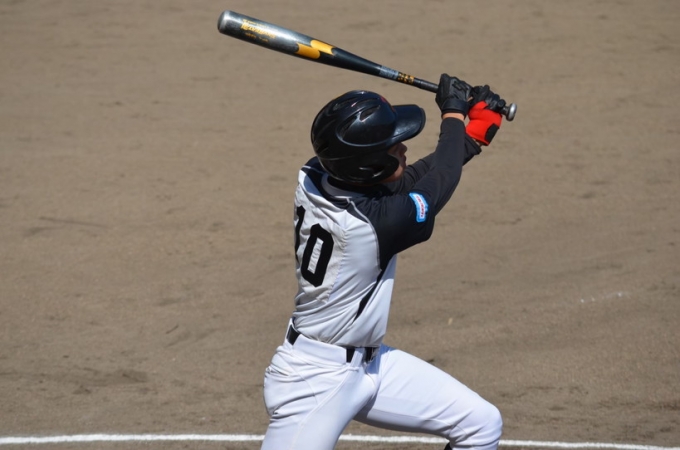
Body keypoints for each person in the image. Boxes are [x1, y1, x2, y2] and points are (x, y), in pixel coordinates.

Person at [260, 74, 507, 450]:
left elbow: (408, 181)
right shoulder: (374, 225)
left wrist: (470, 138)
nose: (404, 147)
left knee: (481, 423)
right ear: (369, 167)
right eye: (394, 146)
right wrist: (454, 116)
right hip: (314, 380)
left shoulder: (317, 175)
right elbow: (439, 180)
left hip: (371, 366)